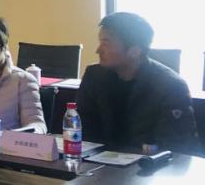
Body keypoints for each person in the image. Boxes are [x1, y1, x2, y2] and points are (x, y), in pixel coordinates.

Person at [77, 12, 198, 154]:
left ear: (135, 51)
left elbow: (175, 149)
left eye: (106, 44)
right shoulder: (94, 76)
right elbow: (82, 128)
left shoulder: (171, 87)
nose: (98, 50)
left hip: (148, 165)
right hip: (98, 161)